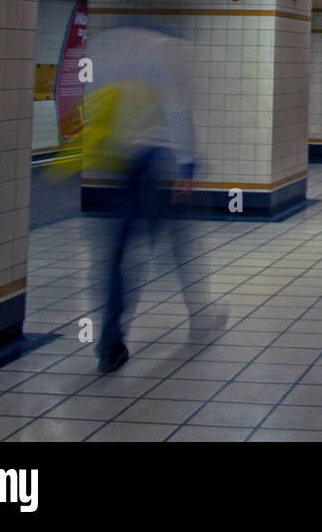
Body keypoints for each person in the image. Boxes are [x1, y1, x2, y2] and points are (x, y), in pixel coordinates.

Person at [87, 26, 223, 375]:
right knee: (179, 243)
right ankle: (200, 314)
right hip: (158, 163)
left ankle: (110, 341)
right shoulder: (170, 49)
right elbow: (178, 109)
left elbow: (95, 102)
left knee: (117, 255)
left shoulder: (107, 43)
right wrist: (188, 165)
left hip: (122, 164)